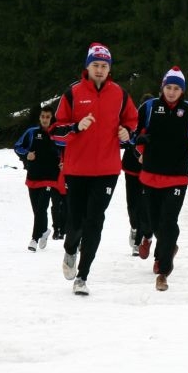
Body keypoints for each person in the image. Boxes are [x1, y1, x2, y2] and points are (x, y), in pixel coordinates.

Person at [52, 43, 138, 296]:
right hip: (77, 170)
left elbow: (132, 122)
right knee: (75, 221)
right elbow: (56, 130)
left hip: (107, 170)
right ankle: (70, 249)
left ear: (109, 69)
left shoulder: (120, 94)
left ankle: (83, 275)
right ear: (87, 67)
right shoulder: (73, 93)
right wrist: (76, 127)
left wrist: (127, 132)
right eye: (95, 65)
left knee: (95, 222)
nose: (100, 70)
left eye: (104, 66)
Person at [133, 66, 188, 292]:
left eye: (176, 88)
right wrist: (138, 142)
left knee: (168, 224)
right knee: (153, 222)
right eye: (168, 87)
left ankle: (163, 270)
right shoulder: (149, 107)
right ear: (162, 87)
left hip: (177, 178)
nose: (171, 92)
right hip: (149, 175)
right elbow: (132, 130)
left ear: (182, 91)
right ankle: (167, 246)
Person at [13, 106, 66, 251]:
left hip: (51, 178)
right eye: (43, 116)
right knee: (37, 210)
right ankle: (43, 231)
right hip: (33, 176)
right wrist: (26, 154)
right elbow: (17, 146)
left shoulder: (58, 134)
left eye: (48, 117)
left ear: (52, 118)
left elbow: (67, 150)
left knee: (42, 207)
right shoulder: (31, 132)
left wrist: (64, 162)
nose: (45, 119)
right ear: (39, 117)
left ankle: (34, 239)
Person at [122, 93, 153, 257]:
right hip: (131, 169)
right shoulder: (134, 124)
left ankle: (139, 241)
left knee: (143, 206)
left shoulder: (156, 125)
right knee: (132, 205)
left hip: (148, 172)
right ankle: (134, 228)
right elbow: (127, 141)